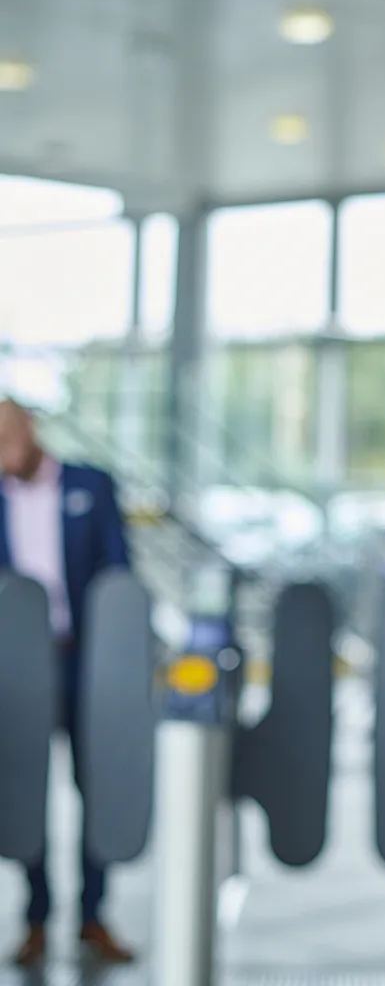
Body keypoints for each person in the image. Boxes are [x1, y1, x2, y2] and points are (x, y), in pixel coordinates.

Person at [0, 400, 135, 966]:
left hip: (87, 659)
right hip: (19, 665)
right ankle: (34, 917)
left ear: (29, 428)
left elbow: (118, 571)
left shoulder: (91, 486)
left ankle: (93, 915)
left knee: (96, 787)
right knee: (24, 790)